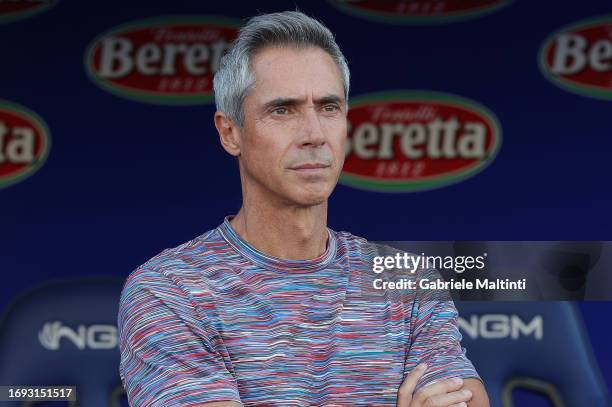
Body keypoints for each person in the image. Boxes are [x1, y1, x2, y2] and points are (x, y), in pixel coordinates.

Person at [118, 10, 489, 407]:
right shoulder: (169, 291)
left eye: (329, 107)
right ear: (230, 132)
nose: (314, 134)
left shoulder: (408, 283)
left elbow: (468, 400)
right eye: (283, 110)